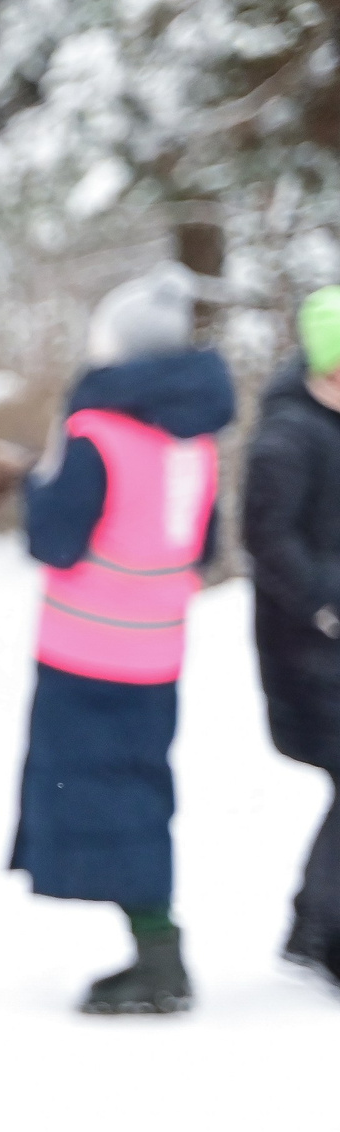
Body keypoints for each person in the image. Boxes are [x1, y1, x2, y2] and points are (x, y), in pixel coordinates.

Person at [1, 266, 232, 1014]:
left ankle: (159, 954)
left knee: (93, 795)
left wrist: (32, 487)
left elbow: (57, 540)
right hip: (158, 650)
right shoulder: (198, 441)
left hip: (84, 649)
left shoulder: (93, 431)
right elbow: (204, 544)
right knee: (140, 789)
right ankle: (155, 943)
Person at [243, 286, 340, 989]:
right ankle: (321, 934)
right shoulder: (289, 436)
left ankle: (313, 927)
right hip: (306, 653)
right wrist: (325, 604)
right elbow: (266, 538)